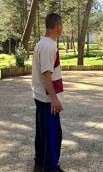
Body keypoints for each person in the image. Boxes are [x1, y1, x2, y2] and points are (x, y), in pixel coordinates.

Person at [31, 13, 65, 172]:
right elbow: (46, 74)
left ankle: (40, 160)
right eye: (61, 25)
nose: (62, 28)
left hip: (41, 96)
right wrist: (54, 99)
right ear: (57, 25)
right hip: (47, 99)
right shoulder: (48, 46)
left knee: (42, 130)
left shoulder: (41, 44)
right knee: (53, 134)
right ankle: (51, 167)